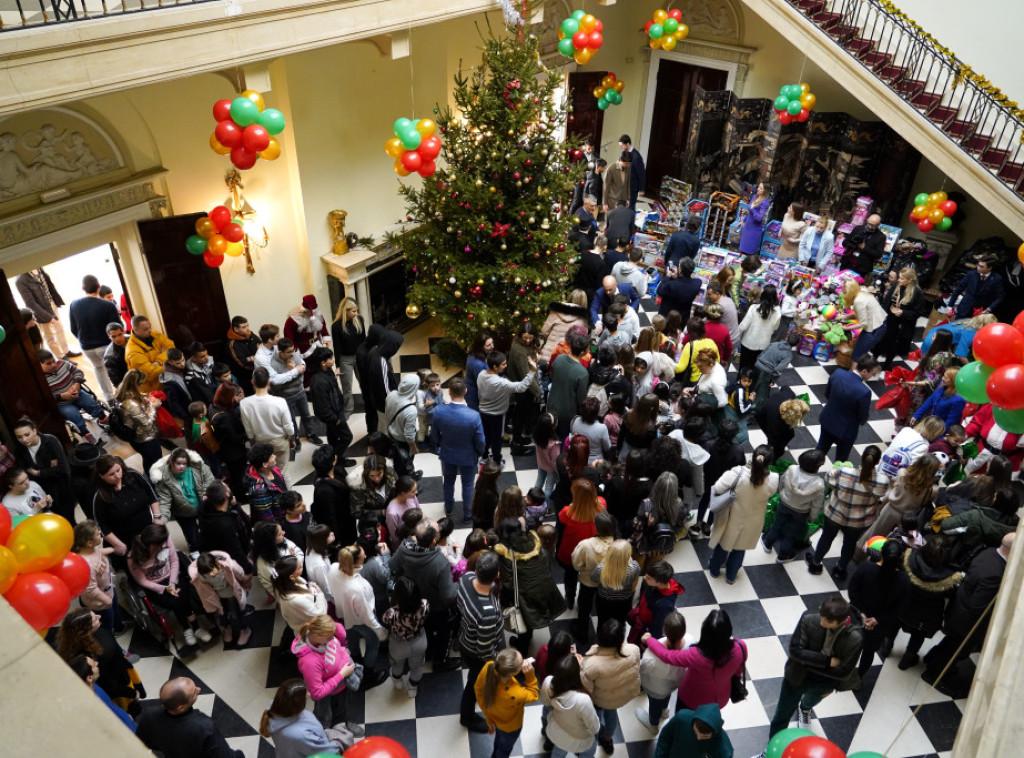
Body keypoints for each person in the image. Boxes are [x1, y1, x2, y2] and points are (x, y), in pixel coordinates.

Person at [765, 596, 864, 740]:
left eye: (828, 621)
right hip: (796, 676)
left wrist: (806, 661)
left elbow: (844, 672)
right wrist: (828, 662)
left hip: (825, 683)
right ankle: (771, 749)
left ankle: (804, 709)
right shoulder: (810, 618)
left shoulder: (855, 637)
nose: (822, 622)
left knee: (810, 701)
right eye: (822, 616)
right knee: (781, 715)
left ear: (843, 621)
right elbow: (795, 651)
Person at [922, 532, 1014, 688]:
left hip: (958, 608)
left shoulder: (989, 552)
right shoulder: (996, 574)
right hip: (967, 622)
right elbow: (978, 606)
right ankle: (933, 675)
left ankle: (932, 658)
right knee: (957, 650)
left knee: (950, 643)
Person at [806, 446, 888, 580]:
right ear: (878, 462)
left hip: (835, 513)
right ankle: (840, 569)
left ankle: (815, 563)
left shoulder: (843, 471)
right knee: (849, 544)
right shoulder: (882, 481)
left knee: (826, 538)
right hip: (859, 520)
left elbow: (828, 478)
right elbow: (882, 494)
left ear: (862, 457)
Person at [391, 519, 460, 670]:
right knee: (445, 631)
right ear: (434, 540)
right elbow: (448, 596)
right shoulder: (440, 562)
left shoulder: (404, 548)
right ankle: (440, 661)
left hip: (414, 603)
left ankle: (427, 653)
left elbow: (392, 566)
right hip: (437, 607)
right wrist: (457, 586)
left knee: (424, 628)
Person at [128, 524, 212, 647]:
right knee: (174, 602)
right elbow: (141, 580)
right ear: (151, 544)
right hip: (155, 585)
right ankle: (189, 627)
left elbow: (174, 560)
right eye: (160, 545)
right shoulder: (133, 556)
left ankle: (192, 628)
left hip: (173, 576)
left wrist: (172, 582)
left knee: (183, 595)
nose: (164, 546)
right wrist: (163, 588)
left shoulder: (165, 540)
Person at [494, 517, 568, 654]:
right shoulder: (535, 542)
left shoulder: (506, 554)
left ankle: (522, 654)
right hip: (543, 587)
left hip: (525, 595)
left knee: (525, 623)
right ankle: (526, 639)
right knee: (530, 622)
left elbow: (509, 583)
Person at [708, 446, 779, 584]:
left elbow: (717, 488)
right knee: (740, 549)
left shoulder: (737, 473)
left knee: (722, 546)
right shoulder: (774, 479)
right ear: (769, 463)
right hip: (753, 522)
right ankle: (731, 576)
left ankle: (714, 570)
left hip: (731, 519)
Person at [135, 677, 244, 758]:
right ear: (181, 707)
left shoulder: (148, 716)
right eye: (194, 692)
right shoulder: (204, 727)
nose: (199, 689)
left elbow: (142, 742)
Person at [56, 608, 142, 709]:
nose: (99, 616)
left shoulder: (72, 642)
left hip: (119, 673)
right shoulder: (93, 657)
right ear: (86, 629)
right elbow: (109, 684)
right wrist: (132, 693)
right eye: (95, 619)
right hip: (119, 687)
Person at [458, 550, 505, 732]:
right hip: (476, 652)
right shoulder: (488, 612)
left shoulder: (466, 578)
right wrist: (494, 662)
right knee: (474, 682)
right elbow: (484, 648)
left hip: (465, 637)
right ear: (497, 575)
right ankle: (467, 716)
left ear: (476, 571)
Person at [580, 618, 641, 754]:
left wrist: (582, 663)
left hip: (598, 699)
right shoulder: (634, 649)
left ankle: (591, 746)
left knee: (593, 722)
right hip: (618, 697)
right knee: (611, 715)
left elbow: (586, 687)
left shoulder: (593, 663)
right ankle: (608, 739)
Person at [848, 539, 909, 675]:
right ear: (901, 557)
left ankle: (844, 673)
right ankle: (859, 677)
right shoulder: (904, 581)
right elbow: (900, 607)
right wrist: (877, 620)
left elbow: (853, 591)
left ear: (880, 552)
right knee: (868, 652)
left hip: (856, 619)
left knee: (850, 646)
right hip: (878, 627)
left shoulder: (865, 568)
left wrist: (861, 614)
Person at [291, 616, 362, 735]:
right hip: (332, 694)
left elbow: (342, 636)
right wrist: (341, 674)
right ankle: (338, 734)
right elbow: (317, 693)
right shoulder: (310, 662)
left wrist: (332, 626)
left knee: (343, 708)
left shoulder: (322, 635)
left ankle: (344, 723)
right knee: (329, 717)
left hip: (343, 684)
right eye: (329, 637)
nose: (332, 639)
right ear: (316, 636)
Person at [329, 544, 387, 676]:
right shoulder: (358, 588)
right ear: (355, 562)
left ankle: (356, 662)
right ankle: (368, 673)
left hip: (344, 616)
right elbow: (368, 616)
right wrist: (381, 632)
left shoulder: (333, 569)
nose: (366, 556)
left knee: (352, 641)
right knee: (373, 644)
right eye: (363, 556)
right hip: (362, 621)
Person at [761, 449, 826, 563]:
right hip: (801, 512)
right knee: (791, 533)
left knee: (777, 524)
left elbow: (781, 483)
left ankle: (767, 543)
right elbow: (817, 504)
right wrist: (812, 517)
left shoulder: (792, 470)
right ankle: (782, 556)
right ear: (819, 465)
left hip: (784, 503)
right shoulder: (819, 484)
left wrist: (782, 495)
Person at [92, 454, 160, 560]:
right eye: (111, 474)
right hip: (125, 540)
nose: (118, 476)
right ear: (102, 476)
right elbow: (102, 526)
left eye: (118, 470)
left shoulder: (133, 476)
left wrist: (157, 517)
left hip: (148, 531)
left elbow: (152, 495)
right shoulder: (100, 496)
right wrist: (118, 544)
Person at [474, 648, 539, 758]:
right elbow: (534, 694)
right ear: (513, 672)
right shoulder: (516, 694)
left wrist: (489, 718)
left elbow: (478, 690)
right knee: (504, 750)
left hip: (495, 718)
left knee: (498, 743)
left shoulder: (489, 667)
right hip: (511, 727)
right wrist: (530, 675)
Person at [816, 354, 880, 463]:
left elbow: (827, 394)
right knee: (841, 459)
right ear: (864, 371)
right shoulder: (864, 392)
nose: (872, 376)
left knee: (820, 450)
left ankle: (809, 469)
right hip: (846, 430)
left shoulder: (838, 373)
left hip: (828, 419)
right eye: (872, 374)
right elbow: (862, 416)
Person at [149, 448, 214, 557]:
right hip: (182, 511)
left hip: (202, 505)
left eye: (184, 463)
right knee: (191, 533)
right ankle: (194, 549)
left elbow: (209, 478)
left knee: (207, 527)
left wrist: (206, 493)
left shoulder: (197, 466)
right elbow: (165, 501)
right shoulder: (163, 477)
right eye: (178, 463)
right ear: (171, 461)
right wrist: (162, 519)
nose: (182, 466)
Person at [12, 416, 75, 524]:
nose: (24, 440)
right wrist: (50, 470)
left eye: (27, 434)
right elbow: (27, 474)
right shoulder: (19, 450)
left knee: (68, 520)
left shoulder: (50, 441)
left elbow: (64, 469)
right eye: (19, 437)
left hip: (62, 487)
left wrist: (38, 472)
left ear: (35, 430)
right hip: (41, 492)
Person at [478, 349, 537, 463]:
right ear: (495, 366)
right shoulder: (500, 382)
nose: (506, 365)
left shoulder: (481, 374)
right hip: (496, 415)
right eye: (504, 364)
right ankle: (497, 460)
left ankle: (484, 457)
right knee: (496, 439)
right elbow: (521, 387)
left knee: (486, 436)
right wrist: (532, 370)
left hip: (483, 412)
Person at [69, 274, 121, 401]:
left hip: (87, 348)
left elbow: (73, 329)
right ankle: (124, 395)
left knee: (99, 369)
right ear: (99, 287)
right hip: (106, 345)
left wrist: (84, 340)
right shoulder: (108, 305)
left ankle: (109, 399)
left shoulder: (74, 304)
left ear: (83, 288)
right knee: (117, 369)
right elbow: (117, 328)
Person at [240, 367, 295, 485]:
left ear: (252, 382)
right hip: (279, 442)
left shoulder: (244, 403)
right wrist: (292, 440)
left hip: (260, 443)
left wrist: (253, 443)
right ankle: (288, 499)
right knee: (283, 471)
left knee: (264, 474)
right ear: (268, 381)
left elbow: (248, 429)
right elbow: (288, 427)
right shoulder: (280, 402)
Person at [37, 348, 108, 439]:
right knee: (73, 415)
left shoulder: (62, 364)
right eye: (48, 363)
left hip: (77, 393)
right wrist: (61, 396)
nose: (54, 364)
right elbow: (45, 397)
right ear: (39, 365)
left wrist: (77, 383)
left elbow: (77, 371)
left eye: (53, 361)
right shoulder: (40, 380)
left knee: (91, 403)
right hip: (62, 403)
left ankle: (103, 419)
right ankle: (85, 433)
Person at [259, 679, 340, 758]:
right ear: (295, 707)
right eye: (305, 695)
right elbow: (329, 754)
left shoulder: (275, 708)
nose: (308, 694)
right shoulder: (301, 735)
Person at [540, 654, 601, 758]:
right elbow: (594, 729)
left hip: (558, 731)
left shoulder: (548, 682)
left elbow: (546, 703)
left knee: (558, 751)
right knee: (590, 749)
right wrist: (581, 667)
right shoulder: (583, 700)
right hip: (579, 739)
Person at [189, 551, 253, 647]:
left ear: (216, 563)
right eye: (207, 573)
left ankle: (245, 630)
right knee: (222, 615)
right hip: (218, 598)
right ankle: (227, 628)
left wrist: (246, 583)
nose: (211, 574)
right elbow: (203, 589)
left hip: (232, 595)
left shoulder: (227, 567)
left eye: (212, 570)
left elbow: (240, 574)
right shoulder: (202, 575)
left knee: (235, 615)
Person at [381, 575, 430, 696]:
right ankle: (412, 688)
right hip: (419, 641)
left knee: (397, 665)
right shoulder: (424, 605)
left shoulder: (391, 614)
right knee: (417, 666)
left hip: (398, 645)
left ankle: (397, 682)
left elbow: (385, 622)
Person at [271, 338, 321, 449]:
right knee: (291, 419)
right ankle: (295, 437)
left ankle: (310, 434)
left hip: (300, 391)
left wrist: (290, 376)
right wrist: (290, 371)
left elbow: (302, 370)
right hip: (285, 396)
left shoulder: (294, 356)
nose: (292, 353)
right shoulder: (274, 364)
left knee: (306, 415)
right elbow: (277, 385)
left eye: (293, 350)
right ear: (280, 352)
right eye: (289, 352)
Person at [308, 347, 354, 464]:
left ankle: (335, 457)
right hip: (334, 415)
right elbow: (322, 405)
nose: (333, 360)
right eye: (330, 358)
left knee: (333, 436)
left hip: (336, 410)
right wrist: (335, 419)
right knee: (346, 437)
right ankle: (334, 460)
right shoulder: (319, 382)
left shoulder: (327, 371)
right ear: (323, 363)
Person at [67, 654, 136, 732]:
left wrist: (126, 718)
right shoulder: (94, 707)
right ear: (89, 678)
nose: (97, 663)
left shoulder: (94, 686)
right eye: (94, 665)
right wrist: (128, 723)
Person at [17, 267, 75, 359]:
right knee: (49, 335)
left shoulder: (40, 269)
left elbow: (49, 287)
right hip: (41, 310)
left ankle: (66, 351)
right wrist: (47, 316)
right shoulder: (21, 280)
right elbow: (30, 303)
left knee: (59, 328)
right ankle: (61, 357)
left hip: (51, 304)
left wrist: (57, 301)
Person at [875, 267, 927, 369]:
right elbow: (887, 301)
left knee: (893, 346)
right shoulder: (897, 285)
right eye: (899, 278)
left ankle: (886, 366)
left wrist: (904, 313)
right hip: (889, 319)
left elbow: (919, 312)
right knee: (881, 342)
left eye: (902, 278)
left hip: (903, 324)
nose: (899, 280)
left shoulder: (917, 292)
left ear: (910, 280)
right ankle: (873, 361)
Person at [198, 481, 253, 575]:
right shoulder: (225, 524)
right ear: (227, 495)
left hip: (210, 549)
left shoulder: (204, 508)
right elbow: (235, 549)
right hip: (225, 558)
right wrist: (248, 568)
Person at [549, 330, 591, 439]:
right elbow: (581, 399)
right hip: (567, 414)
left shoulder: (559, 358)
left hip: (552, 406)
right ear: (582, 353)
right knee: (563, 441)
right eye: (588, 348)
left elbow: (552, 377)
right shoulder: (582, 373)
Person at [591, 539, 640, 628]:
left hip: (604, 600)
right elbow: (634, 579)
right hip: (624, 600)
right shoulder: (634, 567)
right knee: (620, 622)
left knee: (602, 621)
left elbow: (593, 578)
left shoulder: (600, 569)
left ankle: (601, 639)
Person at [654, 703, 733, 758]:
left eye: (704, 736)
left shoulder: (724, 749)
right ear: (693, 722)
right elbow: (665, 739)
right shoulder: (681, 719)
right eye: (696, 732)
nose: (698, 738)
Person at [331, 297, 365, 416]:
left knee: (364, 382)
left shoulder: (359, 320)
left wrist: (365, 356)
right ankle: (348, 409)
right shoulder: (336, 326)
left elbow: (363, 340)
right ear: (346, 311)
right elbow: (337, 347)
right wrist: (338, 366)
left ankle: (369, 402)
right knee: (347, 387)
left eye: (356, 311)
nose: (356, 313)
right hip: (345, 359)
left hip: (360, 357)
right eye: (353, 311)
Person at [841, 280, 888, 365]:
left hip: (875, 329)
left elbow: (863, 323)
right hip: (877, 325)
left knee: (857, 356)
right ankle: (854, 374)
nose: (842, 291)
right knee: (858, 353)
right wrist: (844, 317)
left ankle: (853, 375)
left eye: (844, 289)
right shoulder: (861, 293)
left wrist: (845, 328)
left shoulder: (858, 301)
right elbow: (862, 314)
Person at [125, 315, 175, 393]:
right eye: (146, 329)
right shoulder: (133, 352)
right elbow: (150, 374)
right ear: (136, 330)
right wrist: (171, 365)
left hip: (166, 383)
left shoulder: (155, 334)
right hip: (152, 392)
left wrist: (159, 361)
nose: (150, 330)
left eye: (150, 327)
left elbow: (171, 348)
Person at [737, 284, 781, 372]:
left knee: (743, 367)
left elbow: (743, 326)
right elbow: (775, 328)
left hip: (748, 343)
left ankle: (740, 383)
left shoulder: (754, 308)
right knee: (754, 368)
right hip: (763, 345)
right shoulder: (778, 313)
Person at [367, 328, 404, 428]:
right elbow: (385, 388)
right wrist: (394, 404)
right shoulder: (381, 361)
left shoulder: (374, 350)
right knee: (388, 428)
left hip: (376, 399)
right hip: (385, 404)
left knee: (383, 424)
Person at [948, 254, 1005, 318]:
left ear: (989, 268)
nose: (978, 268)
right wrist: (950, 306)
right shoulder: (971, 274)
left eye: (982, 267)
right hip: (964, 308)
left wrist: (989, 308)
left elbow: (1000, 297)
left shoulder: (996, 279)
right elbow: (958, 289)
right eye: (978, 265)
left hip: (980, 312)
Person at [243, 442, 287, 521]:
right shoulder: (260, 492)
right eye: (271, 456)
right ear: (265, 464)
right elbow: (267, 519)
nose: (275, 456)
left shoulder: (273, 469)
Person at [840, 213, 886, 277]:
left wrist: (864, 248)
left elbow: (878, 254)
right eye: (869, 224)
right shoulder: (858, 229)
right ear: (867, 220)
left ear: (878, 225)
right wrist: (853, 244)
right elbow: (844, 243)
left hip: (861, 268)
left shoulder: (881, 237)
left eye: (873, 225)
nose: (870, 227)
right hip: (847, 263)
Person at [226, 316, 261, 395]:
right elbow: (241, 363)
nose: (248, 329)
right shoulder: (232, 344)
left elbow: (261, 345)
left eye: (247, 325)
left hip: (256, 370)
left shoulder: (250, 334)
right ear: (236, 329)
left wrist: (253, 358)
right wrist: (255, 362)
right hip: (245, 376)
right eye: (244, 327)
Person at [739, 183, 770, 256]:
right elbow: (750, 212)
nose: (758, 189)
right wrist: (743, 220)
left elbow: (759, 218)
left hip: (754, 230)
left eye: (761, 188)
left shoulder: (765, 202)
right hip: (747, 227)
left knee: (749, 253)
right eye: (759, 187)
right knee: (741, 251)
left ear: (765, 191)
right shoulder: (755, 196)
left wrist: (753, 209)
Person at [618, 134, 646, 209]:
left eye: (622, 146)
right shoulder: (623, 154)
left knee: (630, 207)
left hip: (632, 187)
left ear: (628, 144)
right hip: (624, 186)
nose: (621, 148)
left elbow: (641, 173)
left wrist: (641, 189)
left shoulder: (636, 156)